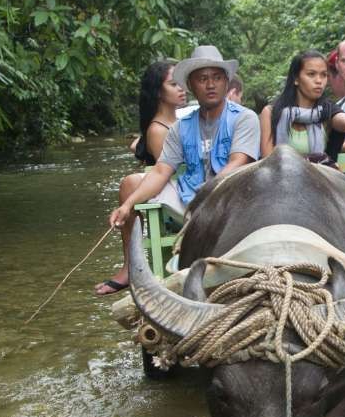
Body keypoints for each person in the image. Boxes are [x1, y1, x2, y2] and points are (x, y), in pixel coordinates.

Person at [107, 45, 260, 270]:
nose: (210, 84)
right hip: (189, 197)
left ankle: (192, 256)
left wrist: (208, 192)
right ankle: (136, 268)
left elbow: (238, 162)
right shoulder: (181, 127)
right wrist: (128, 205)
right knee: (136, 186)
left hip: (231, 198)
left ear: (226, 82)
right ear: (190, 85)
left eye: (217, 78)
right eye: (202, 79)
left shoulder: (245, 118)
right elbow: (161, 171)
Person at [95, 60, 187, 295]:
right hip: (177, 194)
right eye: (173, 84)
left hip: (188, 188)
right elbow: (168, 170)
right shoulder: (158, 129)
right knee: (130, 183)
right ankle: (129, 266)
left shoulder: (180, 120)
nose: (181, 88)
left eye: (182, 83)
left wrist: (139, 144)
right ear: (158, 91)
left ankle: (129, 267)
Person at [259, 49, 345, 159]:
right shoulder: (271, 113)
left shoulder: (326, 110)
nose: (319, 81)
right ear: (296, 78)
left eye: (324, 75)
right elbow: (267, 161)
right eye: (311, 74)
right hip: (279, 175)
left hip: (319, 175)